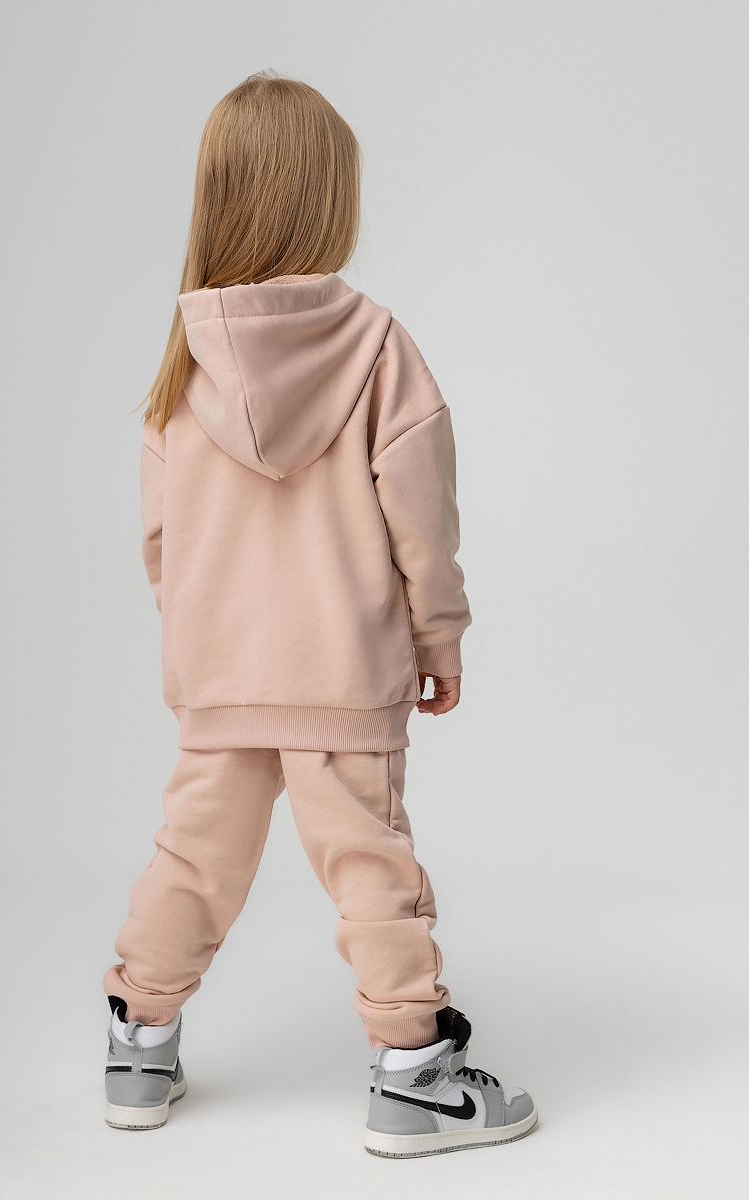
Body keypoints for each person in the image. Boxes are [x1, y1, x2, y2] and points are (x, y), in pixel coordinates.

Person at [102, 70, 536, 1159]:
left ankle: (138, 1047)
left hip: (219, 674)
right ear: (329, 198)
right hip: (341, 669)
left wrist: (203, 638)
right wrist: (439, 636)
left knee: (191, 863)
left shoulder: (181, 364)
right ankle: (414, 1075)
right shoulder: (377, 345)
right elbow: (422, 518)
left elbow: (162, 543)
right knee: (374, 871)